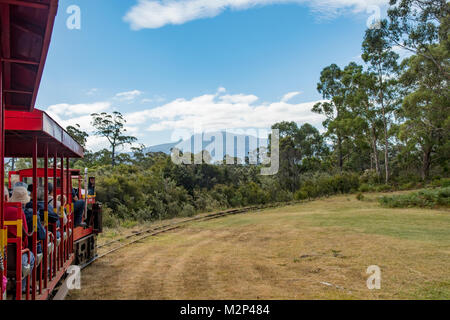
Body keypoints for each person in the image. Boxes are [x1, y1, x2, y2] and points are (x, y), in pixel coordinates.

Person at [7, 185, 36, 293]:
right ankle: (22, 287)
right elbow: (25, 236)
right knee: (31, 257)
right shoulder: (20, 212)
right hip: (17, 255)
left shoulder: (2, 210)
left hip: (2, 253)